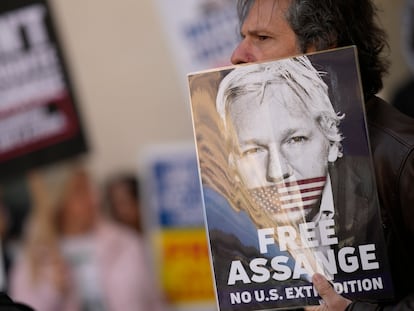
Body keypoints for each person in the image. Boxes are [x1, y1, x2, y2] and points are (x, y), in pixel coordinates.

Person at [229, 0, 414, 310]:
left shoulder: (401, 154)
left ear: (318, 47)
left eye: (262, 38)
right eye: (244, 36)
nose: (238, 55)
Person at [8, 167, 167, 311]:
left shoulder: (126, 243)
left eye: (91, 187)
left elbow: (154, 302)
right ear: (58, 199)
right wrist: (49, 292)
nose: (93, 197)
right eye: (80, 191)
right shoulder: (31, 260)